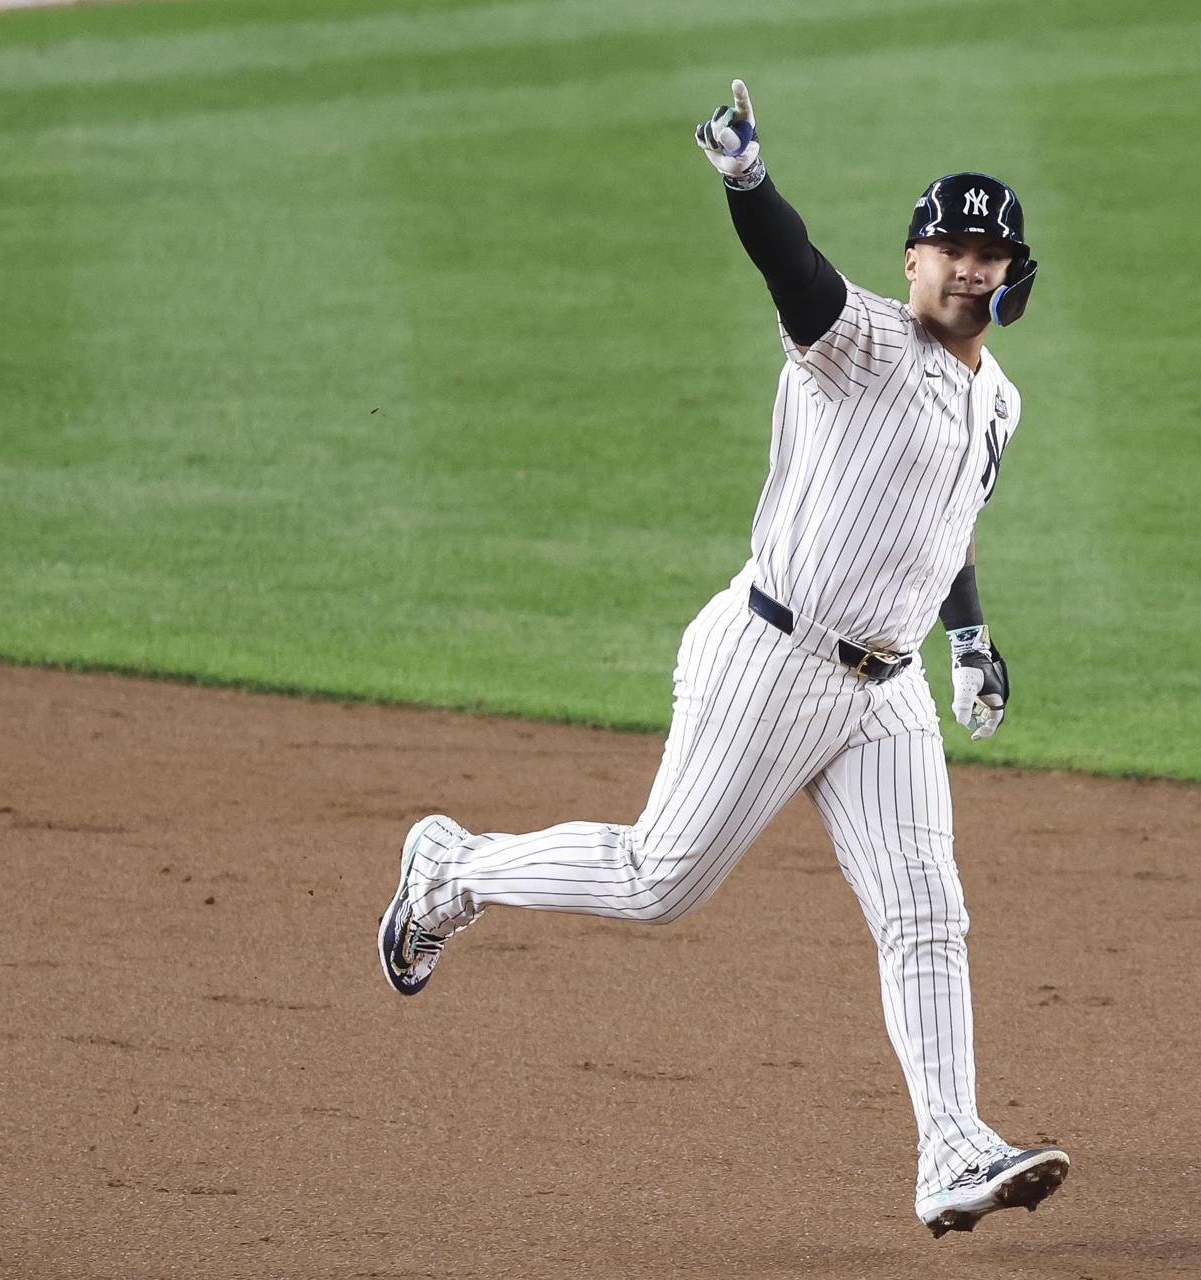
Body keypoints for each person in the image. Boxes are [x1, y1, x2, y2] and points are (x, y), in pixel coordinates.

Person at [376, 79, 1066, 1238]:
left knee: (925, 912)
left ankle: (951, 1149)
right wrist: (749, 180)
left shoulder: (998, 399)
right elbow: (791, 268)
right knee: (660, 881)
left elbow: (943, 522)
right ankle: (448, 869)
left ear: (1013, 274)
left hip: (886, 691)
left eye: (985, 251)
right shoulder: (854, 340)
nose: (964, 266)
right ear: (909, 261)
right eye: (946, 244)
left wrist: (969, 636)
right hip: (773, 656)